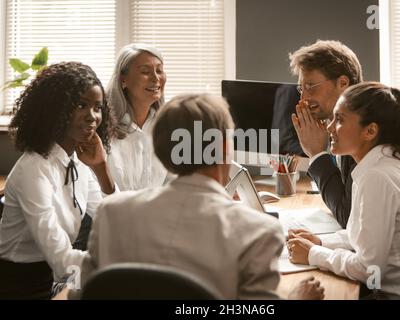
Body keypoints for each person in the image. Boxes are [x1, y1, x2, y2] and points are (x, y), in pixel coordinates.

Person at [77, 94, 324, 300]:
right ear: (226, 149)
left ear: (161, 152)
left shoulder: (111, 212)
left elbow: (89, 291)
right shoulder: (259, 232)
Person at [287, 82, 400, 299]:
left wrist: (314, 254)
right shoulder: (380, 164)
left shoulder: (378, 176)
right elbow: (367, 232)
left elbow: (369, 270)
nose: (329, 127)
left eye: (340, 120)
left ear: (370, 131)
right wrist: (322, 242)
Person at [0, 62, 117, 299]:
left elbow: (115, 216)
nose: (93, 116)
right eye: (81, 105)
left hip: (55, 273)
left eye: (98, 107)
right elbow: (60, 257)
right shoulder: (33, 168)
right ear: (55, 109)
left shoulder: (77, 160)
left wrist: (102, 168)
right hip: (20, 283)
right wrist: (115, 264)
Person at [289, 40, 363, 228]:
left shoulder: (362, 133)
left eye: (311, 86)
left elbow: (348, 217)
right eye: (301, 88)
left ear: (343, 83)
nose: (303, 98)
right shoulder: (339, 127)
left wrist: (316, 154)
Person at [106, 43, 169, 191]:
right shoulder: (101, 126)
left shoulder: (168, 126)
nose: (156, 78)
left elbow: (175, 183)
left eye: (159, 70)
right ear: (123, 80)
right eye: (145, 71)